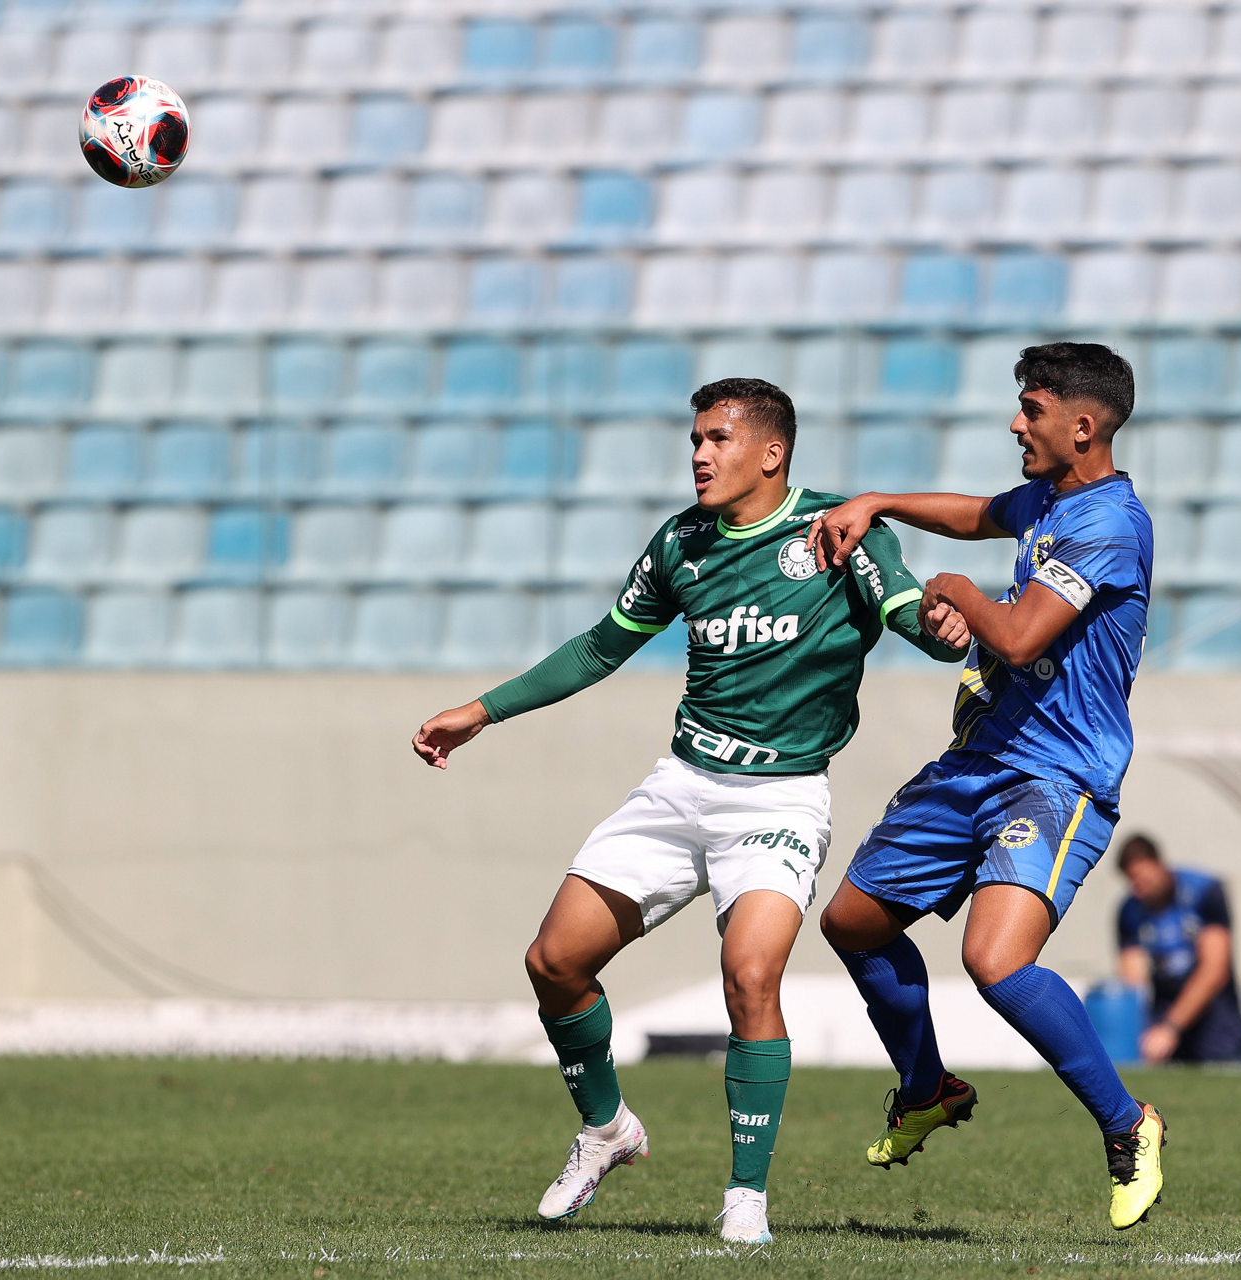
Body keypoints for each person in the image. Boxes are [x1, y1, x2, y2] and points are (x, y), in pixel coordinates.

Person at [412, 377, 969, 1244]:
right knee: (554, 962)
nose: (700, 456)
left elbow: (912, 617)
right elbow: (601, 647)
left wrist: (946, 625)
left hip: (780, 797)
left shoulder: (838, 533)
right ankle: (607, 1129)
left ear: (771, 453)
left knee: (750, 976)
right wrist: (482, 711)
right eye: (696, 441)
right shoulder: (681, 542)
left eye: (718, 439)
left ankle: (746, 1198)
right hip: (681, 785)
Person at [805, 342, 1165, 1231]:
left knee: (996, 963)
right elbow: (974, 514)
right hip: (978, 758)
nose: (1016, 423)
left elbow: (1019, 637)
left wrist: (960, 594)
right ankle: (926, 1086)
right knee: (852, 921)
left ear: (1083, 426)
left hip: (1055, 776)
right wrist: (878, 501)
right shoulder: (1048, 499)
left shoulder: (1111, 525)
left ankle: (1129, 1125)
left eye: (1032, 410)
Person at [1117, 833, 1241, 1063]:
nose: (1138, 889)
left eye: (1141, 878)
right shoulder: (1130, 911)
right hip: (1164, 1027)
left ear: (1158, 863)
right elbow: (1133, 983)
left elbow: (1214, 971)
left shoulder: (1203, 891)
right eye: (1132, 882)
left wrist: (1171, 1027)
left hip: (1216, 1024)